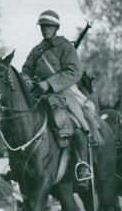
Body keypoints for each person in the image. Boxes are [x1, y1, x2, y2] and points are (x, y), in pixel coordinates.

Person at [21, 10, 99, 181]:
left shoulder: (65, 47)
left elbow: (75, 71)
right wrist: (26, 79)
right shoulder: (37, 49)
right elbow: (26, 69)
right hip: (39, 93)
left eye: (49, 26)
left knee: (76, 122)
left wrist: (49, 83)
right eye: (43, 26)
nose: (45, 29)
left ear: (56, 27)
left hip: (65, 91)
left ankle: (82, 164)